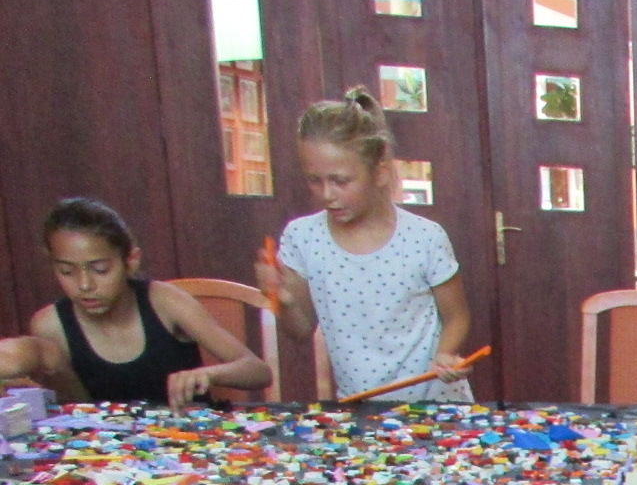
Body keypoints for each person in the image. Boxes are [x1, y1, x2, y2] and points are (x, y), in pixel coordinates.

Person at [254, 88, 474, 402]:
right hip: (361, 410)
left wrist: (445, 355)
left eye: (341, 180)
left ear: (380, 172)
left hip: (436, 406)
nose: (327, 194)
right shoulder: (302, 237)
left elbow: (457, 317)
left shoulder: (425, 237)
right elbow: (300, 330)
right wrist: (283, 300)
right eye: (315, 180)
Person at [0, 198, 270, 409]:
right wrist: (55, 365)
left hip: (191, 442)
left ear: (130, 261)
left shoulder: (165, 302)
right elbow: (78, 411)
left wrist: (209, 375)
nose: (84, 285)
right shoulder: (51, 324)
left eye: (100, 269)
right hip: (110, 455)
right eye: (67, 272)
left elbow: (257, 371)